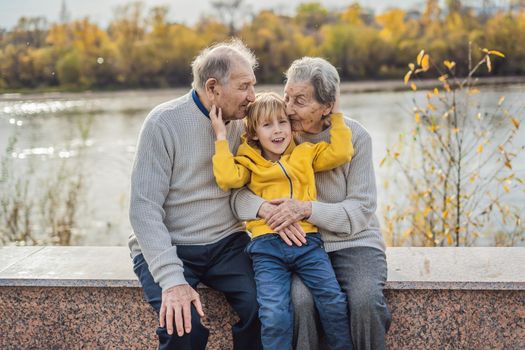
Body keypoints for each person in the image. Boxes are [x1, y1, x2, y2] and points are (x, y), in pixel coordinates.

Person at [231, 57, 392, 350]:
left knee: (365, 302)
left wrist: (306, 209)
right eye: (288, 96)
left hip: (352, 242)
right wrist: (264, 209)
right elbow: (238, 194)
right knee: (299, 303)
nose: (289, 108)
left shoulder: (355, 137)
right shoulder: (277, 133)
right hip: (299, 243)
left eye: (300, 101)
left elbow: (361, 210)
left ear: (327, 106)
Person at [128, 39, 262, 350]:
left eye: (253, 86)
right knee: (182, 326)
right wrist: (172, 279)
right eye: (244, 87)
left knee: (268, 306)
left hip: (228, 244)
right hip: (171, 244)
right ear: (214, 88)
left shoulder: (245, 123)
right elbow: (143, 209)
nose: (252, 97)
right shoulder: (164, 122)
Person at [210, 91, 354, 350]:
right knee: (275, 315)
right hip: (267, 249)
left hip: (307, 243)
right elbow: (227, 179)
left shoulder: (305, 154)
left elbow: (342, 153)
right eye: (267, 125)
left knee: (333, 303)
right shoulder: (248, 162)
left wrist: (336, 115)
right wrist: (221, 137)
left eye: (282, 122)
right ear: (254, 133)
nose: (277, 131)